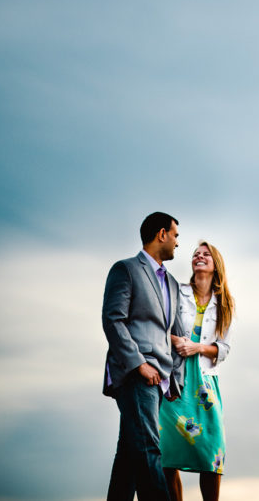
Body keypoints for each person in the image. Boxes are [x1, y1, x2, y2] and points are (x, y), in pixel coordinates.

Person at [102, 212, 186, 501]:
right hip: (136, 375)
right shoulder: (125, 269)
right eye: (175, 235)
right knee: (150, 448)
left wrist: (175, 378)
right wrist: (139, 364)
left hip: (159, 381)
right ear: (161, 234)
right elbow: (113, 320)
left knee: (129, 455)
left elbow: (176, 335)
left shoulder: (173, 284)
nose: (178, 242)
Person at [159, 240, 235, 501]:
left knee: (211, 451)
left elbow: (223, 349)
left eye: (205, 254)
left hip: (205, 385)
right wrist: (174, 341)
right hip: (175, 381)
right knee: (167, 452)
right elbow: (159, 325)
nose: (199, 257)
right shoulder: (177, 291)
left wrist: (197, 347)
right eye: (195, 254)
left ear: (215, 264)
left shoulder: (225, 303)